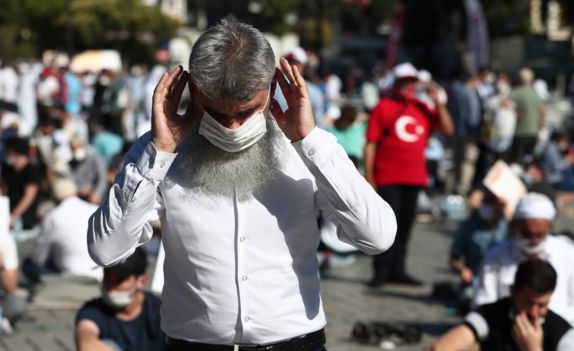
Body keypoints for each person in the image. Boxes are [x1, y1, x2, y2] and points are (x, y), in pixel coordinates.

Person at [87, 17, 395, 350]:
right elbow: (106, 249)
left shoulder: (306, 150)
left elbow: (376, 236)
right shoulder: (160, 154)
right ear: (193, 92)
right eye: (217, 114)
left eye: (246, 112)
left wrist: (311, 142)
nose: (232, 127)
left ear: (272, 88)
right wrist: (158, 154)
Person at [364, 62, 453, 287]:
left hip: (414, 177)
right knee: (386, 227)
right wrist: (369, 175)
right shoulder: (383, 107)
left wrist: (438, 101)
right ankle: (380, 272)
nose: (409, 87)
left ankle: (398, 270)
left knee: (405, 227)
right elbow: (371, 143)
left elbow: (448, 129)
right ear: (395, 84)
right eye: (405, 83)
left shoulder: (421, 107)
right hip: (388, 176)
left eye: (412, 83)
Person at [472, 192, 574, 330]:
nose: (533, 241)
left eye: (539, 235)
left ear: (550, 227)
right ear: (515, 227)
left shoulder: (569, 253)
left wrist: (549, 326)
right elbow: (482, 304)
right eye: (527, 234)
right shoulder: (495, 257)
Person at [431, 259, 574, 351]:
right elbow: (441, 347)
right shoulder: (491, 315)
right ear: (513, 292)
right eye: (528, 302)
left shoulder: (563, 334)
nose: (534, 313)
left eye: (542, 305)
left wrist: (533, 348)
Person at [75, 248, 164, 351]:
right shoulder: (93, 310)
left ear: (142, 281)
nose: (111, 285)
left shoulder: (160, 310)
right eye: (107, 275)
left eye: (119, 280)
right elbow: (87, 345)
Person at [22, 178, 101, 283]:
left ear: (55, 198)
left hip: (70, 275)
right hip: (100, 274)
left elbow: (38, 258)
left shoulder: (53, 216)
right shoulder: (95, 209)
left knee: (28, 265)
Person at [0, 137, 40, 230]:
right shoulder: (7, 169)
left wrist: (13, 216)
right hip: (6, 212)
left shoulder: (32, 170)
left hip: (24, 218)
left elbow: (29, 197)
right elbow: (1, 189)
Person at [510, 68, 545, 163]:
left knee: (517, 160)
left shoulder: (516, 92)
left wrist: (515, 112)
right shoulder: (536, 94)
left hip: (520, 131)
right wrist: (540, 127)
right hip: (533, 131)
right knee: (529, 160)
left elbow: (504, 103)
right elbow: (543, 111)